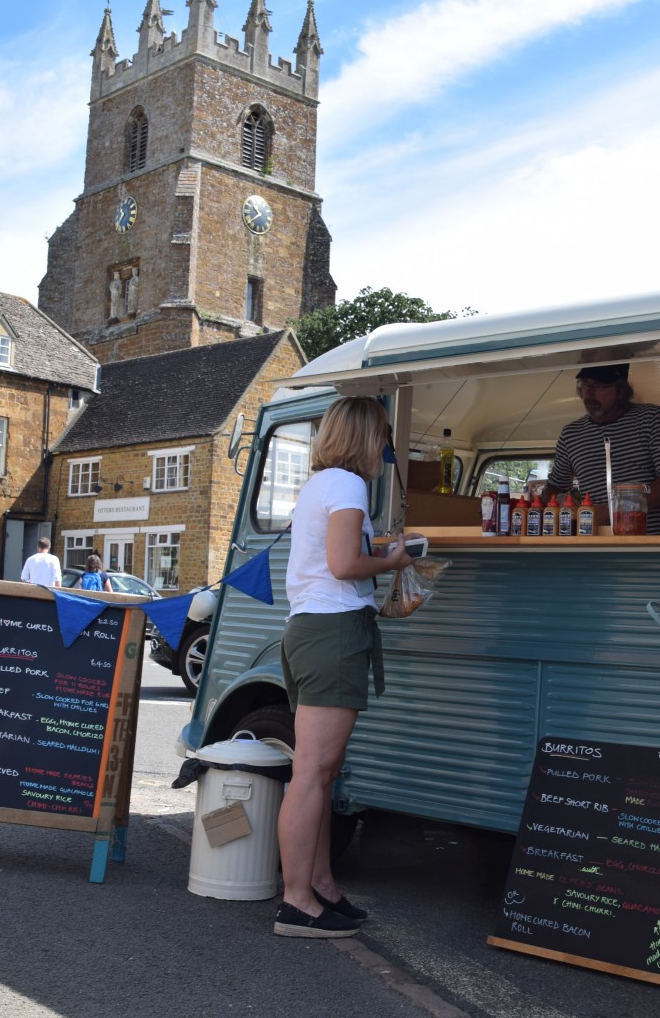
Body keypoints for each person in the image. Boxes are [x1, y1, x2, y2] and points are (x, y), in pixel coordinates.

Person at [275, 395, 417, 939]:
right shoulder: (349, 485)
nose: (387, 448)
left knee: (321, 771)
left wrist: (374, 552)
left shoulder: (323, 484)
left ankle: (321, 887)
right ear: (365, 436)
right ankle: (294, 901)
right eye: (383, 435)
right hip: (332, 631)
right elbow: (343, 565)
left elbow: (330, 557)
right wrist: (395, 560)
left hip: (317, 629)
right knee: (311, 772)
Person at [544, 364, 660, 534]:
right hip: (596, 546)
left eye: (599, 386)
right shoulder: (571, 434)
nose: (588, 393)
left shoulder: (650, 418)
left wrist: (613, 511)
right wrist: (561, 500)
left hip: (650, 543)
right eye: (585, 384)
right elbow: (553, 486)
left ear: (621, 390)